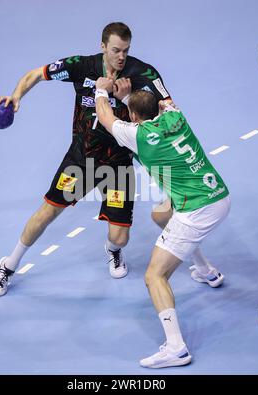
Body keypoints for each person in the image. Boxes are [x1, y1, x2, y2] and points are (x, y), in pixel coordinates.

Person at [0, 22, 173, 296]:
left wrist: (134, 101)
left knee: (120, 237)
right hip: (82, 159)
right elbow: (36, 74)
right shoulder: (81, 66)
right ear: (102, 47)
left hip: (118, 163)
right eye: (115, 50)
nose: (121, 57)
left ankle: (112, 251)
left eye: (125, 50)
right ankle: (9, 264)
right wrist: (16, 95)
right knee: (47, 212)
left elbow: (168, 108)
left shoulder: (142, 73)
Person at [94, 78, 231, 368]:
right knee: (161, 214)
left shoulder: (137, 135)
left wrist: (101, 89)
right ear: (157, 107)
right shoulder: (174, 114)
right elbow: (161, 102)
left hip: (197, 209)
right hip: (219, 195)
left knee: (154, 276)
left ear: (132, 115)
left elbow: (105, 117)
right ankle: (207, 272)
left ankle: (176, 347)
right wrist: (131, 94)